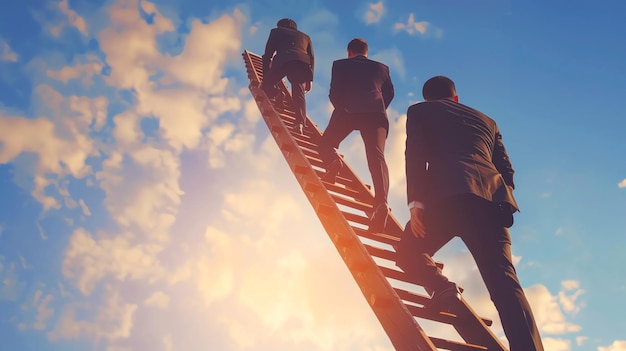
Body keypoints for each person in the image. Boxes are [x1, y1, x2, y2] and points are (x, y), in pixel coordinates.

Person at [395, 76, 544, 350]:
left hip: (446, 201)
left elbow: (415, 155)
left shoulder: (421, 111)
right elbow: (507, 170)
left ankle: (442, 287)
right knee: (505, 283)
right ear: (456, 98)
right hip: (491, 203)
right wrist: (499, 193)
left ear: (428, 98)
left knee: (406, 251)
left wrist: (416, 204)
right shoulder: (488, 121)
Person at [318, 38, 394, 232]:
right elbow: (389, 93)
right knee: (376, 157)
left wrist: (344, 109)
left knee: (325, 144)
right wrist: (376, 107)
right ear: (366, 52)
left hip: (348, 111)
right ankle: (381, 203)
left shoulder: (340, 65)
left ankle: (333, 162)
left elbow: (334, 92)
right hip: (376, 115)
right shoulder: (382, 68)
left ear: (349, 52)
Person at [261, 18, 314, 134]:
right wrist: (309, 79)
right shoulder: (305, 37)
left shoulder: (276, 31)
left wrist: (267, 78)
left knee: (266, 86)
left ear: (280, 26)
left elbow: (267, 55)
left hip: (283, 61)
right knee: (299, 93)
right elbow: (312, 57)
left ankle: (278, 93)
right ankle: (299, 123)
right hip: (301, 64)